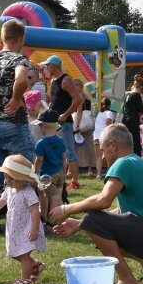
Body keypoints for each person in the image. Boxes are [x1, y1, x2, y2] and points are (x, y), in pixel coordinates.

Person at [51, 123, 143, 284]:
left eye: (103, 150)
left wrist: (67, 209)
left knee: (93, 220)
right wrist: (80, 224)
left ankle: (127, 280)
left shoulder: (123, 164)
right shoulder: (138, 162)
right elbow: (121, 212)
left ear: (113, 145)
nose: (102, 156)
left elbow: (103, 201)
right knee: (93, 224)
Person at [0, 19, 34, 210]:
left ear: (3, 38)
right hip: (15, 122)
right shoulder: (19, 59)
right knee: (25, 170)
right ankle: (27, 217)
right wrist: (16, 98)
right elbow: (21, 80)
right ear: (20, 39)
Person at [0, 154, 45, 284]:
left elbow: (35, 211)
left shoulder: (28, 192)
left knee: (24, 255)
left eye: (11, 177)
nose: (8, 180)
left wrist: (34, 229)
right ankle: (35, 265)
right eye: (6, 177)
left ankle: (25, 280)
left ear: (22, 178)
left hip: (27, 228)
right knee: (15, 253)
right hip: (15, 228)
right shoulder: (9, 191)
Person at [41, 55, 83, 191]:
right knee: (58, 153)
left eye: (48, 65)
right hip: (54, 123)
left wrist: (65, 115)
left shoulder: (66, 80)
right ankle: (61, 179)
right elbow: (53, 100)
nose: (46, 68)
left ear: (54, 65)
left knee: (69, 152)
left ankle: (75, 182)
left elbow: (78, 99)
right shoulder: (53, 81)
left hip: (64, 123)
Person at [33, 109, 66, 228]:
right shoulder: (61, 141)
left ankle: (50, 221)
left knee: (50, 199)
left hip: (47, 175)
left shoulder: (41, 143)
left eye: (40, 126)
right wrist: (64, 171)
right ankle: (62, 219)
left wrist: (34, 174)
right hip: (59, 173)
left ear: (44, 126)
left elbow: (39, 160)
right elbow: (64, 158)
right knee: (58, 198)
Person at [72, 78, 96, 175]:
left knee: (75, 146)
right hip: (88, 124)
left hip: (81, 123)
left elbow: (79, 111)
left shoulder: (78, 96)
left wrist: (76, 125)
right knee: (88, 145)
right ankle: (89, 168)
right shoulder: (86, 96)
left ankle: (72, 169)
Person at [123, 75, 143, 157]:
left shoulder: (127, 94)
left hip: (126, 120)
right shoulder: (137, 95)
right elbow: (141, 110)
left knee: (128, 141)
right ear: (141, 87)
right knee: (135, 141)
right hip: (133, 120)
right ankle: (137, 158)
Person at [93, 97, 115, 179]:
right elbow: (108, 122)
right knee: (109, 155)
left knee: (98, 156)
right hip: (105, 136)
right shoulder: (109, 113)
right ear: (109, 105)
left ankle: (98, 174)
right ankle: (110, 173)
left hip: (96, 136)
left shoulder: (99, 114)